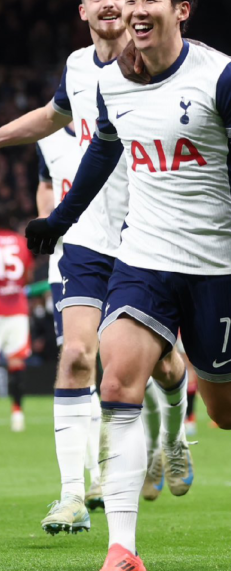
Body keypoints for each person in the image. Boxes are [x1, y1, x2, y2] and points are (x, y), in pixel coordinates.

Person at [25, 0, 231, 570]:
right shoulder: (111, 78)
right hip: (142, 256)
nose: (135, 9)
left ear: (182, 10)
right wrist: (60, 220)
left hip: (214, 264)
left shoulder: (222, 80)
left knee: (226, 411)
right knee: (116, 380)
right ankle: (123, 548)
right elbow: (104, 150)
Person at [0, 0, 191, 536]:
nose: (110, 3)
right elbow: (53, 117)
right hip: (86, 239)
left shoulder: (157, 63)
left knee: (164, 366)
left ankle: (176, 439)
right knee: (78, 356)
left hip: (148, 236)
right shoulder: (77, 68)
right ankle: (71, 497)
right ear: (83, 12)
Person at [35, 123, 104, 509]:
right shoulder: (47, 137)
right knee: (78, 361)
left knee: (149, 366)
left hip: (125, 255)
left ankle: (170, 439)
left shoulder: (117, 118)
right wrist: (48, 215)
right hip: (68, 262)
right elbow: (45, 182)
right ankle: (87, 484)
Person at [0, 216, 33, 433]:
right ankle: (17, 414)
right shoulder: (20, 242)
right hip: (17, 310)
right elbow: (28, 276)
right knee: (16, 365)